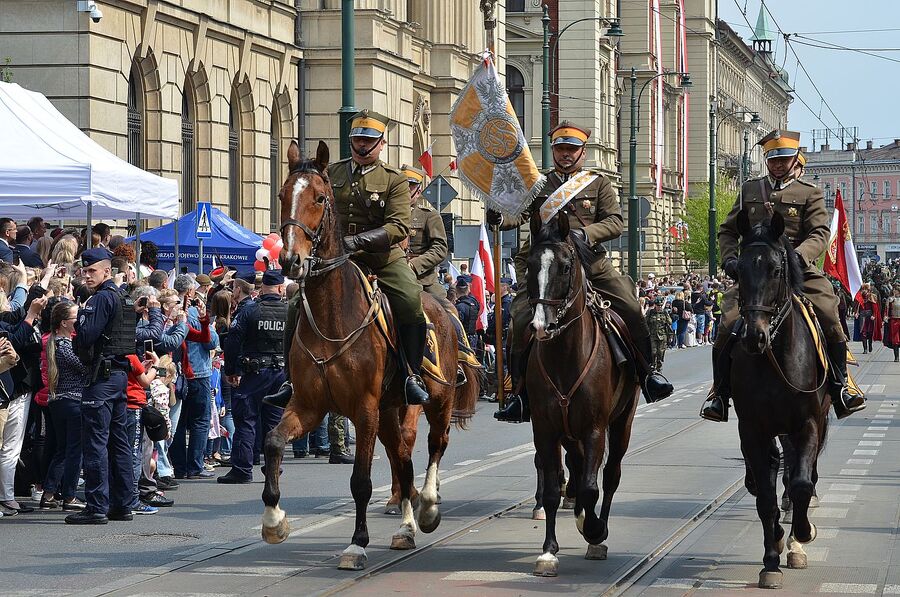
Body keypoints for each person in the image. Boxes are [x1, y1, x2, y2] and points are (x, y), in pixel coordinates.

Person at [493, 121, 673, 423]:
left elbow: (615, 221)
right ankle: (519, 394)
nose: (566, 155)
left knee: (629, 305)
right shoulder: (538, 184)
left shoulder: (597, 184)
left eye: (572, 150)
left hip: (589, 260)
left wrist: (586, 235)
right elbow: (519, 214)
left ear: (583, 153)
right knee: (520, 318)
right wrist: (499, 217)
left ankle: (648, 373)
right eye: (561, 149)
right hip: (546, 263)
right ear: (554, 151)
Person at [264, 109, 430, 408]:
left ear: (381, 143)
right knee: (293, 306)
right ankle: (290, 380)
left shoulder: (393, 179)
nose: (362, 145)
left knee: (409, 300)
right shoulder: (330, 174)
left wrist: (355, 241)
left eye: (369, 140)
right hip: (335, 260)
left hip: (381, 258)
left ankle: (411, 375)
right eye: (357, 139)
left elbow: (399, 226)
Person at [701, 129, 866, 422]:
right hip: (757, 274)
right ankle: (719, 394)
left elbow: (819, 233)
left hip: (798, 270)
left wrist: (799, 255)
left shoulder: (809, 193)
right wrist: (730, 259)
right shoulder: (751, 190)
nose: (778, 165)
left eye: (784, 160)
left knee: (829, 314)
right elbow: (728, 230)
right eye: (773, 160)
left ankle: (842, 386)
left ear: (794, 161)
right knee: (727, 323)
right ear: (767, 161)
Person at [67, 247, 136, 524]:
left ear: (107, 271)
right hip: (118, 377)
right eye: (84, 271)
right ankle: (122, 504)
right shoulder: (124, 297)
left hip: (102, 377)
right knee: (119, 443)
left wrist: (81, 316)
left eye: (92, 270)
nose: (86, 275)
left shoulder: (101, 299)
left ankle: (96, 507)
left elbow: (85, 337)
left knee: (95, 443)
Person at [220, 269, 291, 483]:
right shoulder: (290, 311)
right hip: (280, 374)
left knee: (246, 420)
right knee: (274, 424)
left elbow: (233, 339)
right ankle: (272, 469)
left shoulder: (251, 310)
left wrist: (232, 370)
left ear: (262, 289)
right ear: (280, 289)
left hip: (254, 373)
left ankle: (242, 469)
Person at [40, 301, 88, 511]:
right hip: (71, 402)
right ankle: (69, 496)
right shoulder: (64, 346)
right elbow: (83, 368)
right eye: (75, 318)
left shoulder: (57, 343)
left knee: (62, 450)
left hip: (59, 402)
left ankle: (49, 493)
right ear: (64, 323)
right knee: (73, 451)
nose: (79, 322)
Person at [401, 164, 453, 313]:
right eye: (401, 185)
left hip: (423, 280)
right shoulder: (387, 213)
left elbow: (440, 249)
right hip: (392, 274)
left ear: (418, 191)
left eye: (410, 186)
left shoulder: (428, 215)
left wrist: (413, 265)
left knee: (448, 314)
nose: (405, 189)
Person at [646, 296, 673, 372]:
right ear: (655, 305)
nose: (659, 307)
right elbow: (646, 322)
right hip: (653, 335)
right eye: (658, 305)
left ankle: (659, 366)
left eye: (661, 305)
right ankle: (653, 365)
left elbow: (670, 322)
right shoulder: (651, 312)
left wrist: (667, 317)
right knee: (653, 352)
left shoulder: (664, 312)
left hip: (662, 335)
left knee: (660, 352)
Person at [454, 278, 480, 349]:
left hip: (463, 339)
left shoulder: (459, 306)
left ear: (456, 290)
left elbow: (458, 324)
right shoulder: (475, 303)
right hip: (474, 337)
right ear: (467, 290)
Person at [858, 288, 879, 354]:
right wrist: (856, 312)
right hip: (862, 316)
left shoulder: (871, 297)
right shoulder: (859, 298)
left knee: (870, 333)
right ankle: (865, 349)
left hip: (869, 318)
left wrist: (874, 315)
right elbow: (857, 306)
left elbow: (875, 308)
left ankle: (870, 345)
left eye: (865, 289)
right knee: (863, 332)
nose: (864, 291)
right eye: (863, 289)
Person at [886, 285, 900, 362]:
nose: (895, 291)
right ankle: (896, 357)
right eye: (894, 290)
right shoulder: (891, 299)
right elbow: (887, 309)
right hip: (894, 320)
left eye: (896, 290)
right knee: (895, 339)